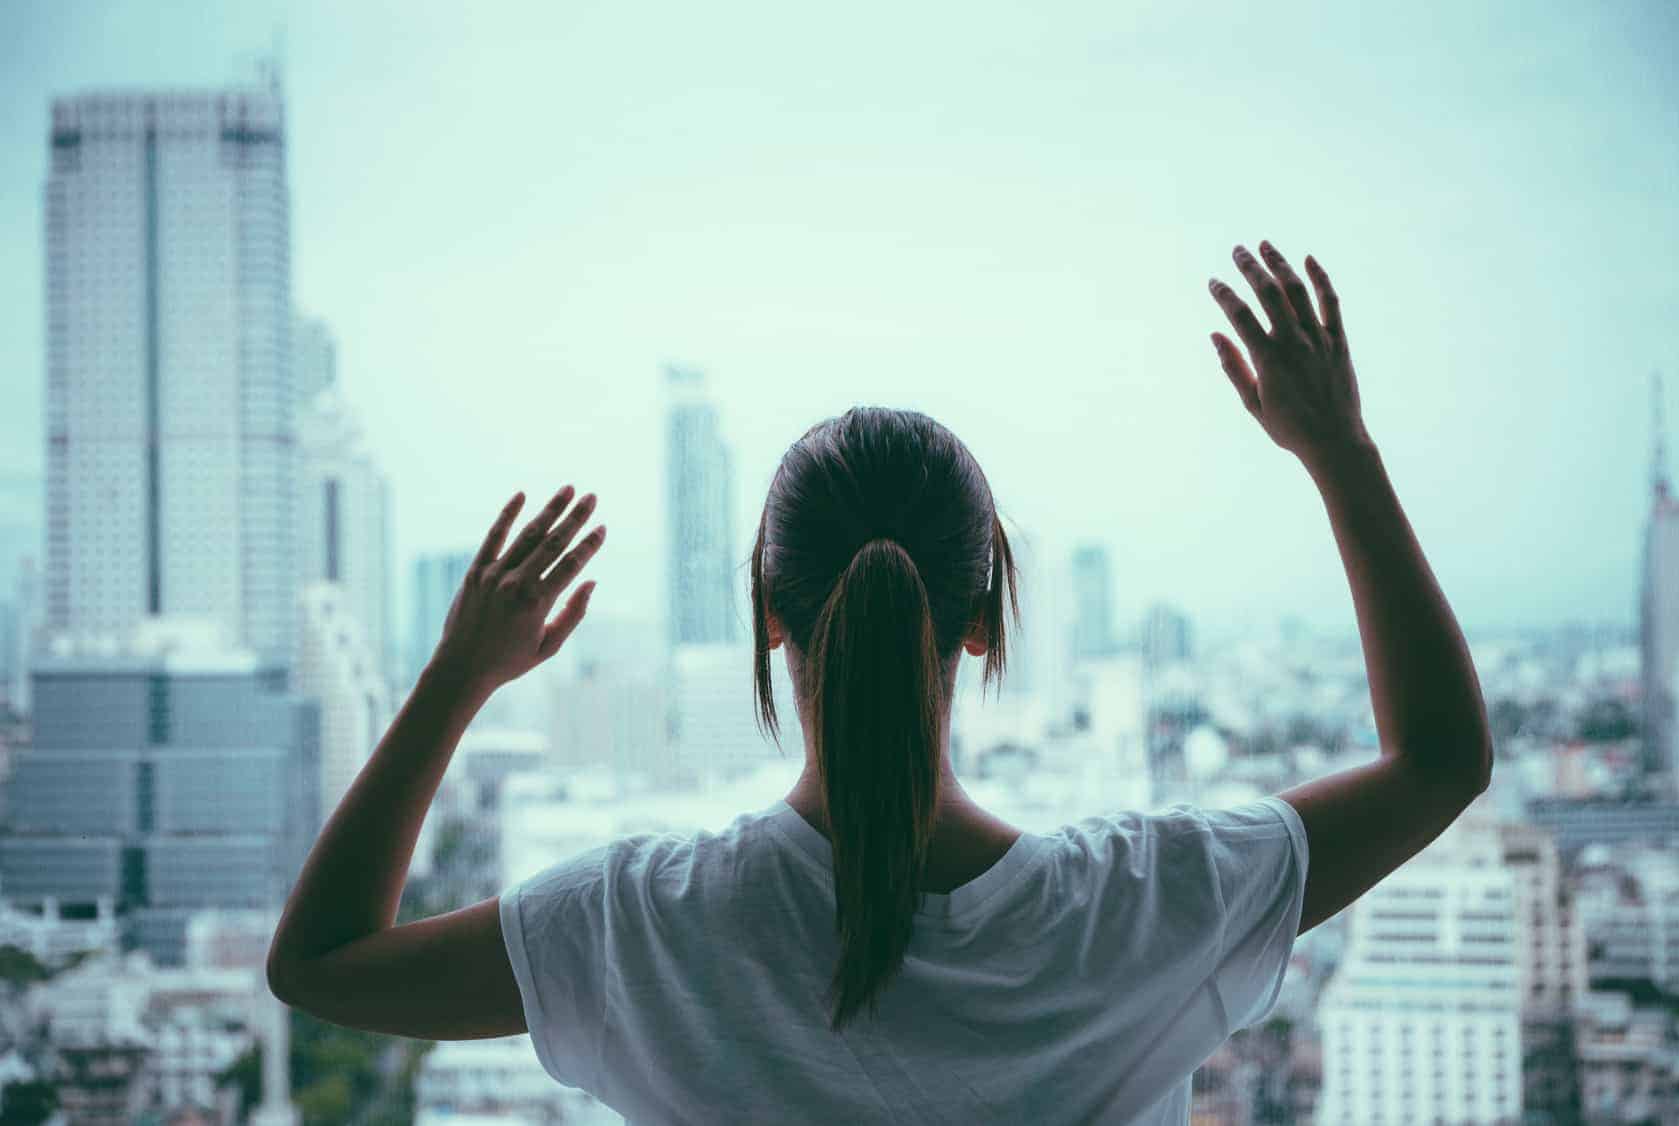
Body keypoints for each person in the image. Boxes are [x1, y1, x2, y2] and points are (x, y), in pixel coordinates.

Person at [266, 241, 1492, 1124]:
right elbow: (1441, 761)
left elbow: (318, 964)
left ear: (765, 618)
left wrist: (455, 675)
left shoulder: (644, 929)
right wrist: (1339, 450)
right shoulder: (1143, 910)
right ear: (983, 624)